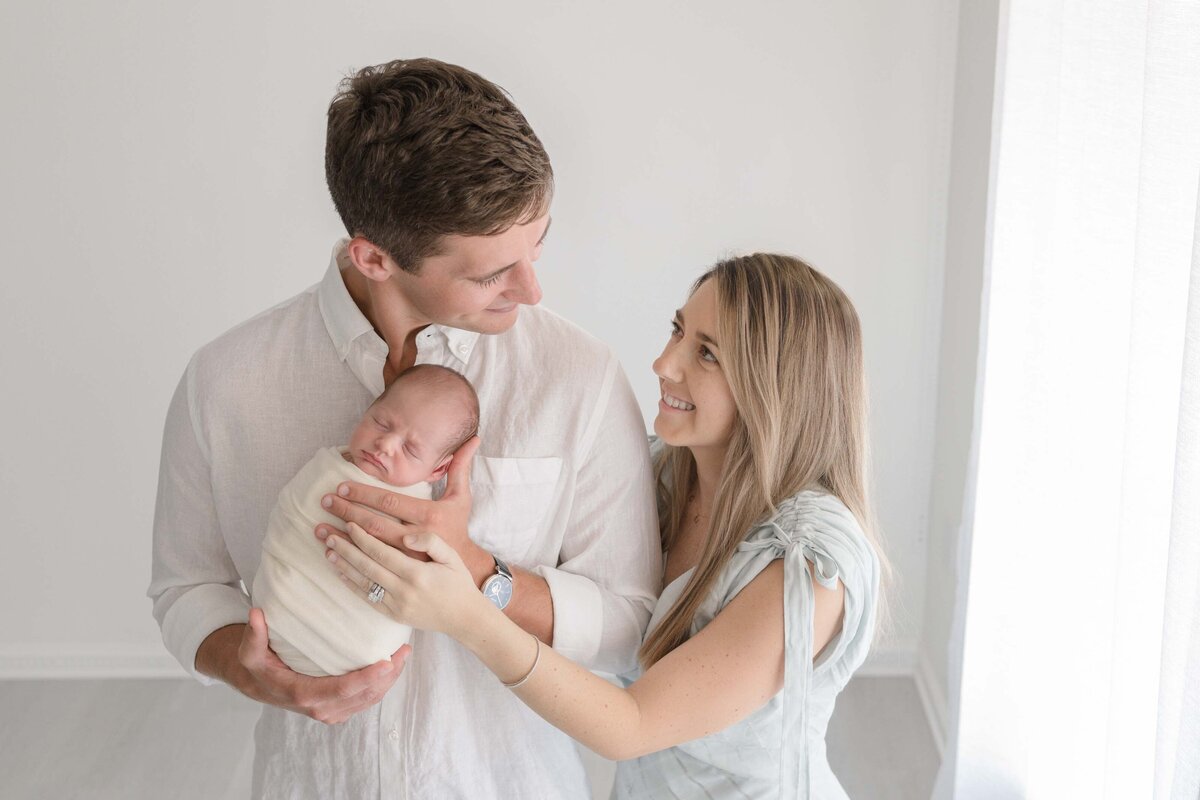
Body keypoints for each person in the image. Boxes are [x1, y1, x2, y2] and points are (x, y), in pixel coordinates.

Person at [147, 58, 660, 799]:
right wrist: (246, 668)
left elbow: (628, 624)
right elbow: (186, 587)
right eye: (491, 274)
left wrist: (476, 573)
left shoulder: (577, 376)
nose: (532, 289)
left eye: (537, 245)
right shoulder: (227, 382)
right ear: (373, 257)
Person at [324, 253, 888, 799]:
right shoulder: (661, 481)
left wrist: (465, 609)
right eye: (677, 330)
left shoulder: (807, 566)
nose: (664, 365)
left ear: (778, 385)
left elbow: (633, 725)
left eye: (708, 354)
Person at [251, 363, 480, 678]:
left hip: (356, 647)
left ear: (437, 471)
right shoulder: (329, 464)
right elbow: (288, 519)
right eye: (382, 423)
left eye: (411, 449)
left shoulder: (420, 512)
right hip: (277, 616)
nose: (385, 445)